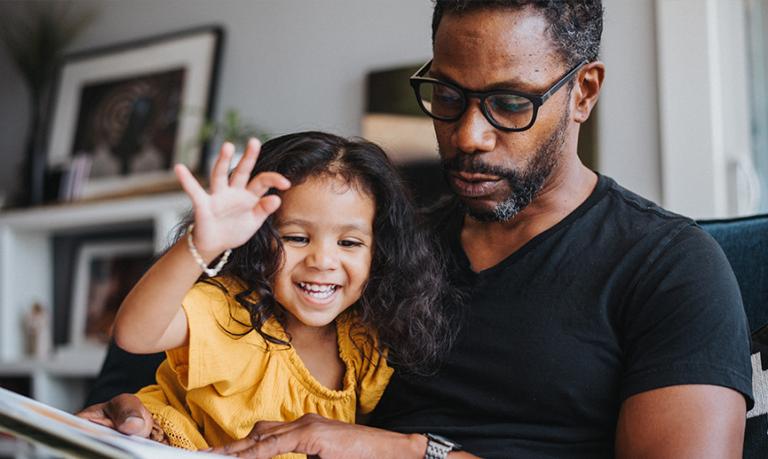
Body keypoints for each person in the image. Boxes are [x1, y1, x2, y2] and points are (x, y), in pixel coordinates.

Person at [79, 1, 754, 457]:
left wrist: (404, 449)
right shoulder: (376, 245)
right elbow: (174, 346)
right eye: (449, 96)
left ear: (584, 92)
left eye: (511, 103)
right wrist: (127, 416)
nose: (468, 134)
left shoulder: (669, 267)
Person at [82, 132, 455, 454]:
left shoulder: (366, 342)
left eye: (349, 242)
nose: (323, 260)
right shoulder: (233, 311)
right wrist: (201, 245)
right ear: (258, 240)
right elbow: (133, 334)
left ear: (381, 253)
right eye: (296, 237)